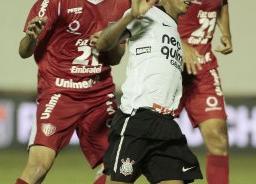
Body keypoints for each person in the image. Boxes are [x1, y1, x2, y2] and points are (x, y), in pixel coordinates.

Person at [15, 0, 131, 184]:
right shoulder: (55, 3)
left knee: (118, 168)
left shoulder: (122, 4)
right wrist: (31, 37)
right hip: (59, 93)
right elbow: (24, 51)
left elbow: (116, 58)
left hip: (99, 95)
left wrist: (110, 42)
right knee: (38, 167)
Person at [95, 0, 203, 183]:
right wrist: (129, 16)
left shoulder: (173, 29)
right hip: (138, 118)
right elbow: (103, 44)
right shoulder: (148, 14)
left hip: (166, 123)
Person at [176, 0, 233, 184]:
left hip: (204, 69)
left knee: (218, 137)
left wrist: (226, 33)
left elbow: (222, 4)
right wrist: (179, 44)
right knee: (142, 141)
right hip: (170, 67)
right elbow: (149, 13)